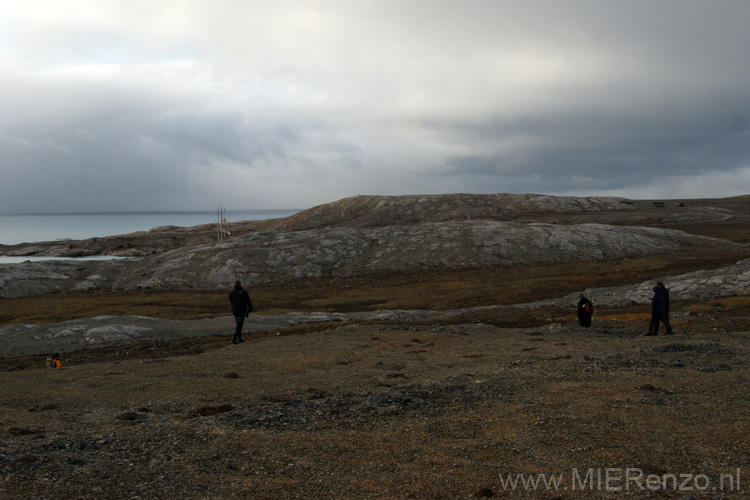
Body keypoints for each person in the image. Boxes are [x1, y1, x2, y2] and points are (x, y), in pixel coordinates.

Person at [228, 280, 253, 344]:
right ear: (240, 285)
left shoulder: (231, 292)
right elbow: (248, 301)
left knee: (238, 324)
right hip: (241, 310)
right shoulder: (243, 292)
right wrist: (250, 308)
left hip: (234, 310)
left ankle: (239, 338)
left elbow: (231, 300)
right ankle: (234, 338)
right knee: (239, 324)